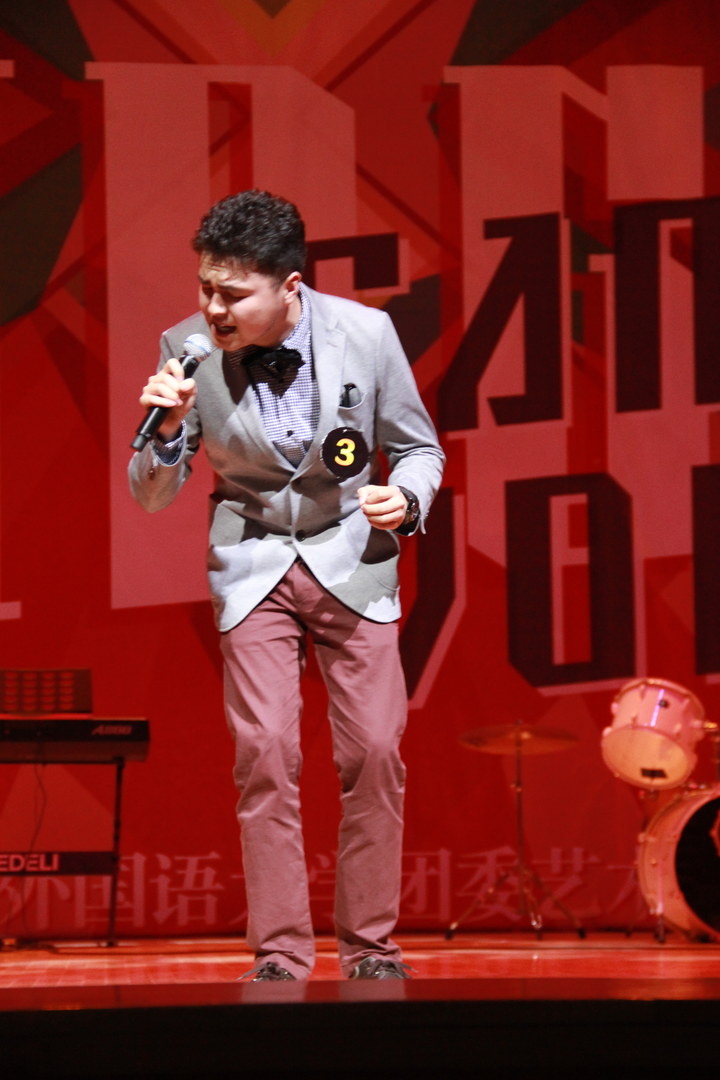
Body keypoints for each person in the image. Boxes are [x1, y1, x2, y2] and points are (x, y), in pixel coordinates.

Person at [129, 190, 444, 981]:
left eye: (234, 294)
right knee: (264, 753)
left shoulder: (365, 334)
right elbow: (152, 495)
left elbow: (419, 449)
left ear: (290, 286)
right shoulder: (185, 349)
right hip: (253, 563)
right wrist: (164, 429)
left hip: (352, 559)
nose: (214, 308)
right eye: (206, 287)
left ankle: (370, 949)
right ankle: (279, 954)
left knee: (376, 752)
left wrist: (406, 499)